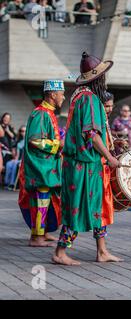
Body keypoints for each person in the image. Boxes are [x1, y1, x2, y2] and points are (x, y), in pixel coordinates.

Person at [52, 52, 122, 266]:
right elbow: (91, 134)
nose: (105, 79)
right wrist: (110, 157)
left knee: (98, 206)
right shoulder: (90, 99)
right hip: (84, 165)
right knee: (79, 206)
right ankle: (60, 252)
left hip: (87, 164)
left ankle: (102, 251)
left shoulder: (79, 96)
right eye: (103, 76)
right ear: (97, 79)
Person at [18, 80, 65, 247]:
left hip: (46, 167)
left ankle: (42, 233)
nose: (63, 97)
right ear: (53, 94)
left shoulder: (48, 112)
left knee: (46, 200)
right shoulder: (40, 113)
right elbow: (35, 140)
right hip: (40, 167)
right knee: (40, 200)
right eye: (61, 94)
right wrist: (57, 145)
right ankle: (36, 238)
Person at [4, 125, 25, 189]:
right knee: (9, 163)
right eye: (22, 131)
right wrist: (15, 159)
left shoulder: (28, 141)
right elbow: (18, 154)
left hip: (25, 159)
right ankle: (7, 183)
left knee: (15, 164)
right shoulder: (18, 142)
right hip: (19, 159)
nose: (23, 132)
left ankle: (12, 183)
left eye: (25, 131)